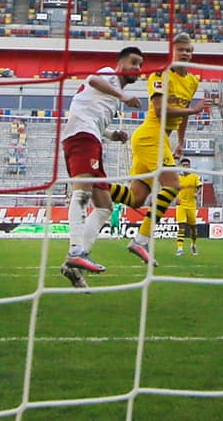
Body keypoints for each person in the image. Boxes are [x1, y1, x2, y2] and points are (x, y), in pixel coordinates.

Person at [108, 33, 211, 266]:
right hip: (150, 136)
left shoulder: (193, 81)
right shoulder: (160, 75)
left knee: (136, 199)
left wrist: (181, 142)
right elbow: (159, 108)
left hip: (161, 140)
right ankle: (141, 240)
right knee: (174, 184)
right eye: (181, 50)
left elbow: (182, 114)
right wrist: (194, 111)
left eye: (189, 50)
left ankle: (97, 185)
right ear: (172, 52)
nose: (185, 54)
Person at [58, 46, 144, 288]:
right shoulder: (108, 75)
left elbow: (89, 112)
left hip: (90, 138)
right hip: (82, 138)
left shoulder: (111, 96)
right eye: (133, 62)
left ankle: (72, 266)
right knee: (82, 193)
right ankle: (76, 251)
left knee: (105, 206)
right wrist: (123, 96)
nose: (137, 68)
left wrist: (111, 133)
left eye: (140, 65)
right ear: (120, 64)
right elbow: (92, 79)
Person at [175, 158, 202, 256]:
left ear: (189, 166)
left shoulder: (194, 176)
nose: (186, 166)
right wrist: (176, 197)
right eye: (184, 165)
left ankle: (193, 245)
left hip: (191, 205)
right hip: (181, 205)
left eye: (187, 165)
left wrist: (197, 194)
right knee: (181, 226)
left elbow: (199, 187)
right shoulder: (178, 178)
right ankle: (180, 248)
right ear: (181, 166)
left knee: (193, 228)